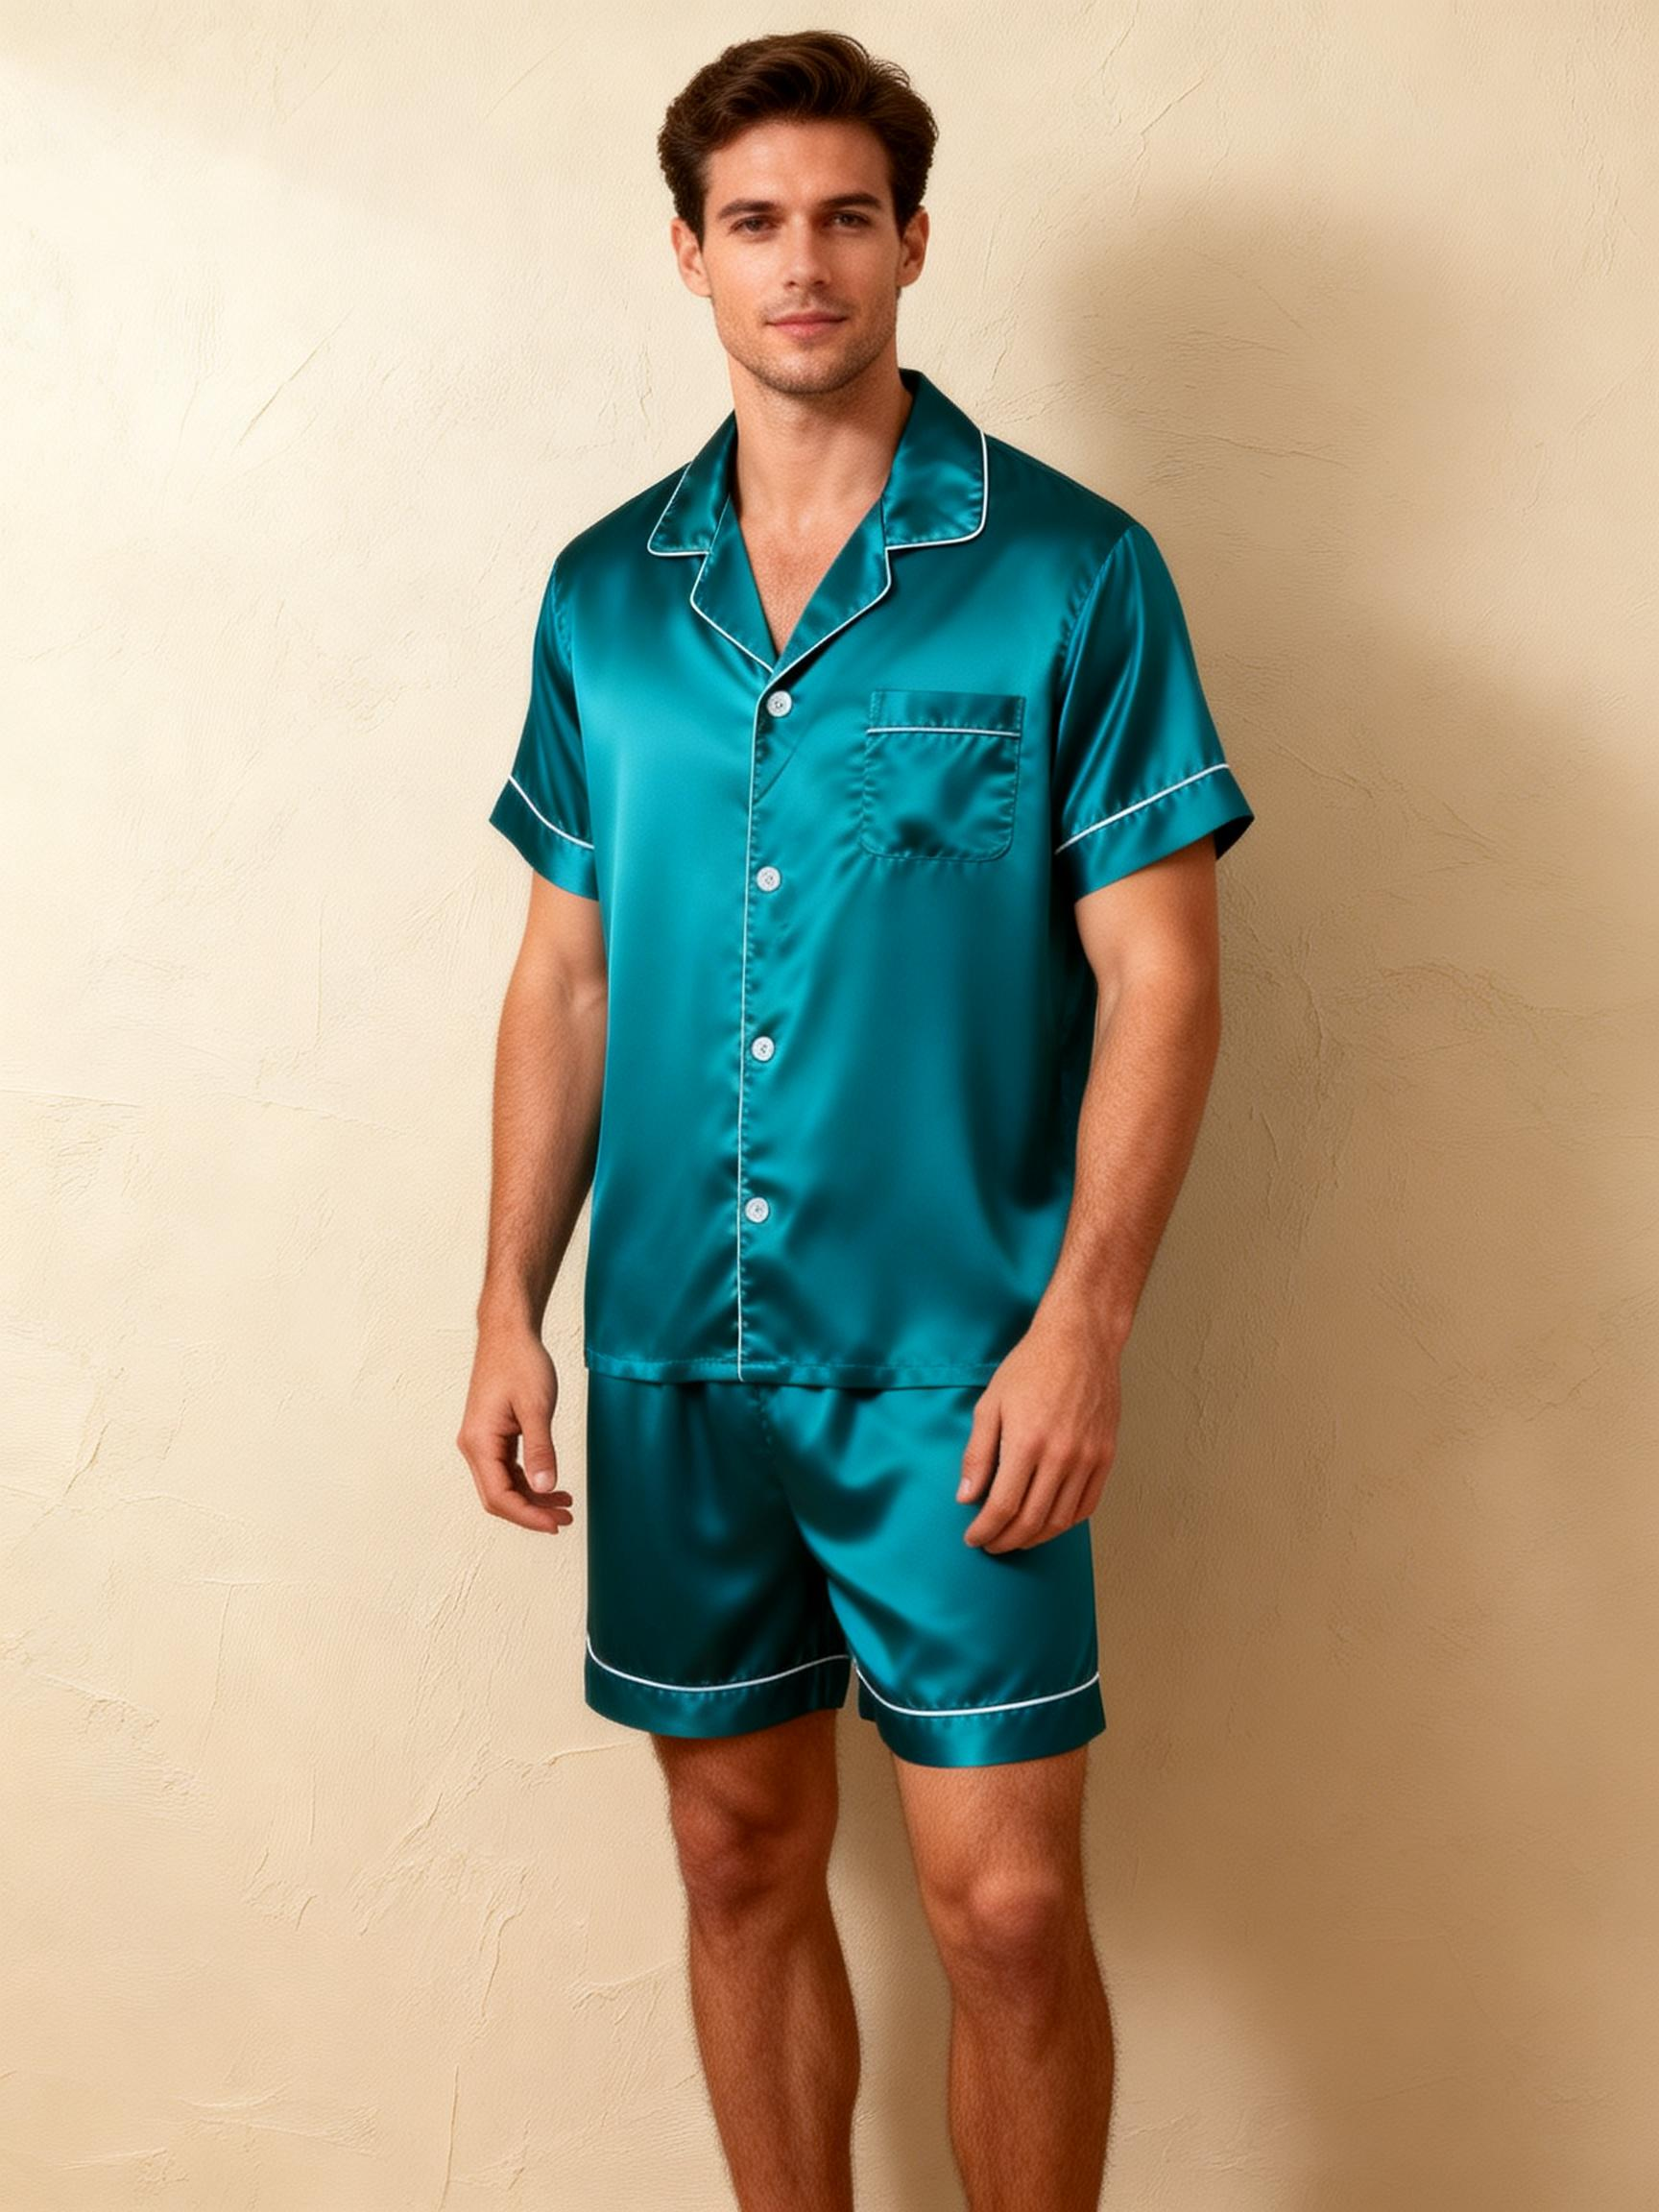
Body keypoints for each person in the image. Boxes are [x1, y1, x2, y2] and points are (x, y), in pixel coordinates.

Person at [458, 29, 1255, 2210]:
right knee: (735, 1861)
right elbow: (567, 976)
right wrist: (509, 1302)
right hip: (672, 1361)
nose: (799, 262)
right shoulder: (604, 595)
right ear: (689, 257)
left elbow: (1163, 980)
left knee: (1005, 1908)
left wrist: (1086, 1326)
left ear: (912, 242)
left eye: (841, 218)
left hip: (958, 1369)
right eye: (754, 223)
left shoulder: (1074, 574)